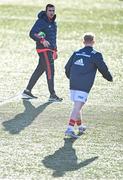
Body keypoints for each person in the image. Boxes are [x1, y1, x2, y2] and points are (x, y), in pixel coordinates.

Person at [64, 32, 113, 138]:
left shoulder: (76, 53)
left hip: (73, 83)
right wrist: (109, 78)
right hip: (84, 85)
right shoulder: (95, 54)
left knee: (78, 105)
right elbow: (103, 68)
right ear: (93, 42)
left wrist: (72, 78)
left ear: (83, 42)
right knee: (77, 106)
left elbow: (67, 68)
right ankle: (70, 128)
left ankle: (80, 126)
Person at [22, 4, 62, 102]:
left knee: (39, 70)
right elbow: (32, 33)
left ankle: (27, 91)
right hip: (44, 50)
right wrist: (42, 40)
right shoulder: (41, 21)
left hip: (49, 50)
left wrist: (55, 50)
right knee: (50, 71)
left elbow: (53, 38)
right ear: (46, 11)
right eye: (49, 10)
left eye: (53, 10)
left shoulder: (53, 23)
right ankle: (52, 95)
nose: (51, 12)